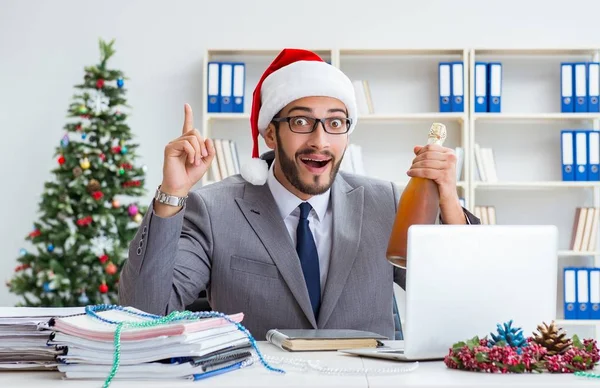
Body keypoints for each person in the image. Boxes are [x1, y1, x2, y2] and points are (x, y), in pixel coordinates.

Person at [118, 48, 480, 341]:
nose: (320, 141)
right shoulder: (213, 209)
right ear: (271, 134)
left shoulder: (387, 203)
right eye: (301, 121)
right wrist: (172, 194)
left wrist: (449, 203)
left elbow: (461, 296)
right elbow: (144, 314)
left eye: (335, 123)